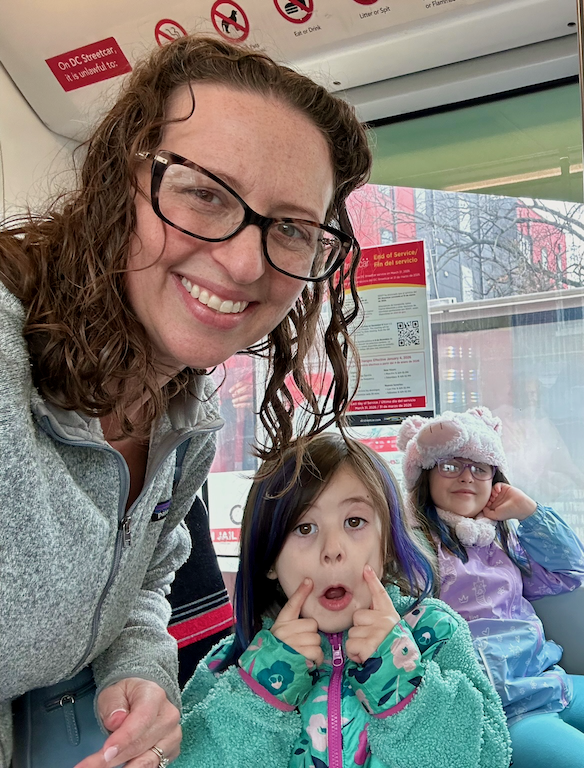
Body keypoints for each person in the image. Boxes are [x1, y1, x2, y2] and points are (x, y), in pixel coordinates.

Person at [0, 35, 371, 768]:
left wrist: (140, 672)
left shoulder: (186, 420)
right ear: (118, 184)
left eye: (292, 228)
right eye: (204, 193)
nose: (241, 262)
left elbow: (146, 581)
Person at [175, 433, 511, 767]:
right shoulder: (235, 660)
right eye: (304, 528)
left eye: (354, 522)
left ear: (388, 544)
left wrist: (402, 684)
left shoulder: (435, 633)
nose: (332, 549)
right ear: (270, 559)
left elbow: (490, 757)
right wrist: (260, 694)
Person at [398, 407, 584, 768]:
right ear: (425, 475)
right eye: (451, 466)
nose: (467, 477)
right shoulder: (414, 547)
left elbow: (571, 570)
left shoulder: (503, 539)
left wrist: (528, 512)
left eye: (479, 468)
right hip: (502, 710)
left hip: (546, 681)